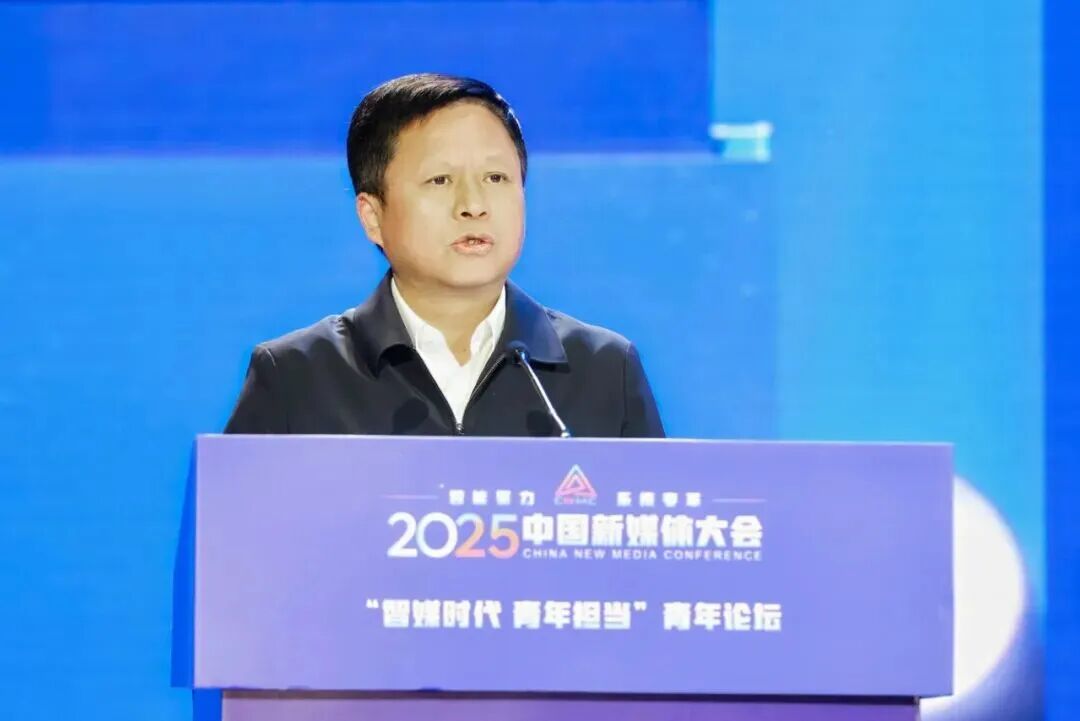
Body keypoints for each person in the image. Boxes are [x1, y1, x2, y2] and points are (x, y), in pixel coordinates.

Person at [224, 73, 664, 438]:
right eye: (440, 180)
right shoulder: (297, 376)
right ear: (373, 216)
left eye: (496, 177)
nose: (473, 205)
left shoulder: (605, 370)